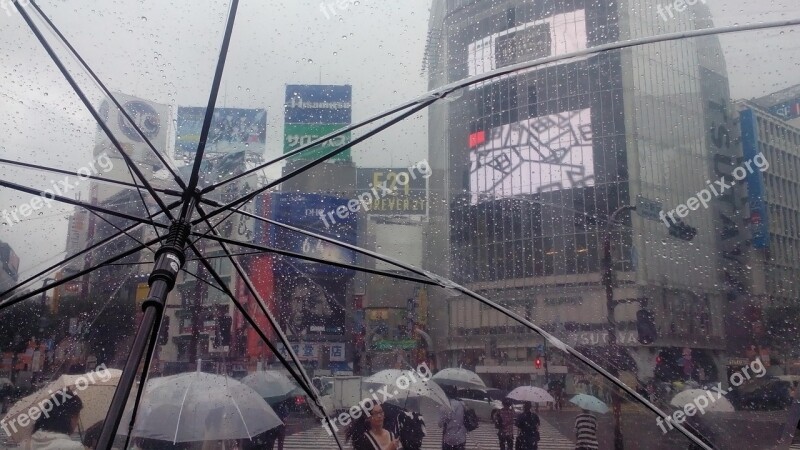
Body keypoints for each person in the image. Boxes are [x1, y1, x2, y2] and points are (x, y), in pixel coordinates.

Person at [438, 385, 467, 450]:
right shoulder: (462, 404)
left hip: (448, 438)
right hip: (461, 437)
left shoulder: (444, 406)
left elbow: (440, 424)